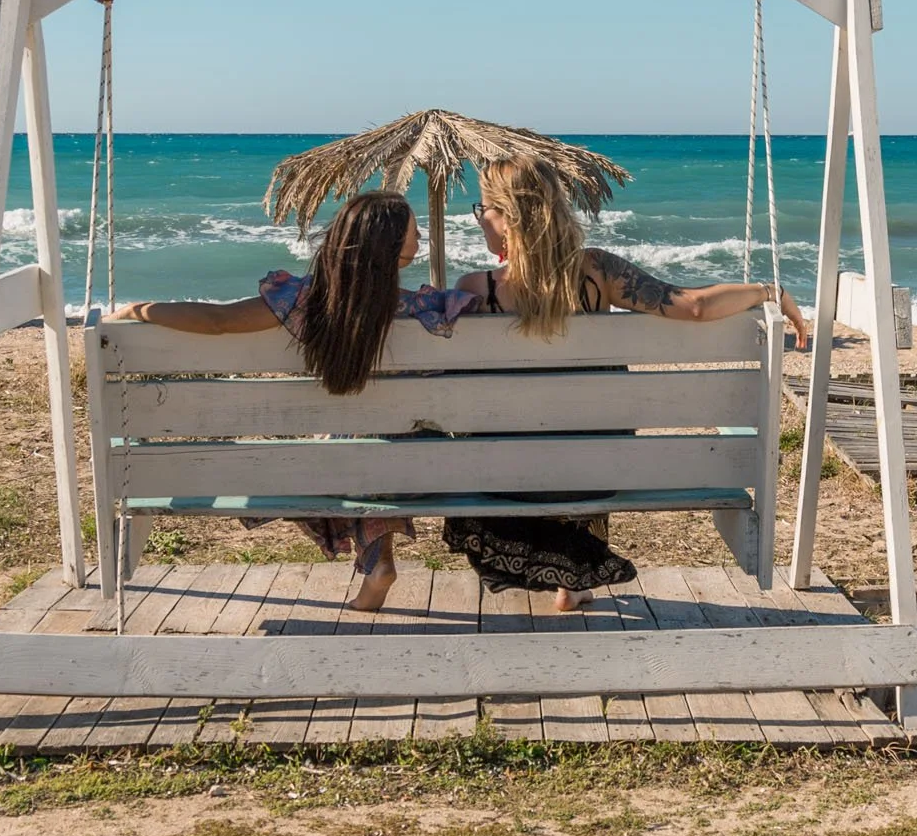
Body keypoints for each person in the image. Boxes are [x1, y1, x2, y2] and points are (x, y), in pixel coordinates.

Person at [446, 157, 810, 610]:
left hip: (504, 477)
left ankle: (565, 570)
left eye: (483, 209)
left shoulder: (476, 290)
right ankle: (573, 578)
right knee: (586, 422)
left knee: (520, 427)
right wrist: (768, 291)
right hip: (598, 471)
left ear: (506, 218)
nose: (480, 219)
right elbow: (693, 306)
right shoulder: (600, 272)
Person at [107, 189, 472, 611]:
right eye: (413, 231)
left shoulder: (303, 301)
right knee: (382, 446)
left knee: (355, 448)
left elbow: (218, 322)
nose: (421, 237)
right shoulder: (425, 310)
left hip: (324, 468)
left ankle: (379, 564)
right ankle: (379, 563)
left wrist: (139, 310)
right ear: (390, 247)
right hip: (423, 474)